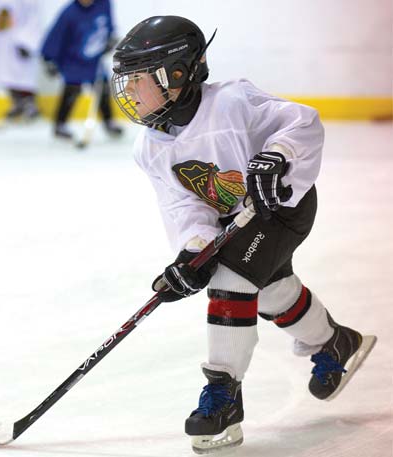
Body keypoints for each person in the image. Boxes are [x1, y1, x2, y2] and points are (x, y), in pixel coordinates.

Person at [111, 16, 377, 455]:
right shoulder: (150, 147)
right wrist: (192, 254)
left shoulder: (232, 102)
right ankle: (333, 341)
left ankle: (224, 396)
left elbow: (303, 123)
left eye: (138, 81)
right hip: (233, 221)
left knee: (232, 282)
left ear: (177, 74)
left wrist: (277, 156)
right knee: (269, 290)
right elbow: (184, 206)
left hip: (281, 207)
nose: (128, 93)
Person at [40, 0, 122, 140]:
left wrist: (110, 38)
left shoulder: (104, 4)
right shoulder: (69, 13)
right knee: (72, 89)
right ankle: (60, 125)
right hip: (74, 59)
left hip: (94, 59)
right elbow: (56, 36)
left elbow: (108, 23)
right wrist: (49, 59)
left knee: (102, 88)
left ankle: (109, 122)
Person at [0, 0, 41, 121]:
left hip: (22, 39)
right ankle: (17, 103)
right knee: (6, 72)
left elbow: (34, 18)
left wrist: (28, 41)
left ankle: (29, 103)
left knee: (23, 72)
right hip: (4, 39)